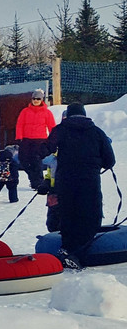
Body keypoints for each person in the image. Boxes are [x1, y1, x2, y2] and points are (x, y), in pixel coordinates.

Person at [47, 103, 116, 267]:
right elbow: (110, 160)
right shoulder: (97, 132)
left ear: (68, 115)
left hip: (66, 181)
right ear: (84, 114)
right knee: (90, 217)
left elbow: (46, 149)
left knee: (68, 216)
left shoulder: (60, 130)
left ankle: (67, 248)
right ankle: (79, 254)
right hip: (89, 181)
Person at [15, 89, 57, 189]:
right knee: (23, 159)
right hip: (26, 139)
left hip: (40, 140)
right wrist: (19, 137)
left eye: (38, 99)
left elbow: (52, 127)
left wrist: (53, 140)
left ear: (42, 100)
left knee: (36, 161)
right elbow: (20, 125)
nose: (36, 100)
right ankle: (33, 178)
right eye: (34, 98)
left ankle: (38, 182)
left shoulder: (47, 113)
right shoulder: (25, 111)